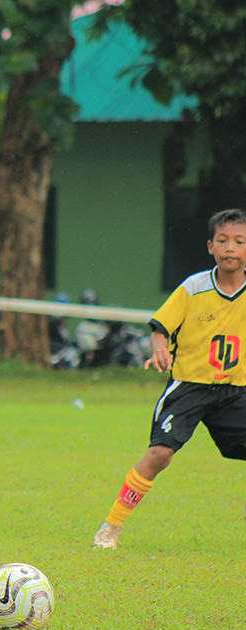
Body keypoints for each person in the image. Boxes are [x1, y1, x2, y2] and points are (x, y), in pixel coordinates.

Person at [92, 208, 246, 549]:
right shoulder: (194, 287)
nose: (230, 248)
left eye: (239, 241)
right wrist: (160, 349)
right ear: (210, 246)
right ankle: (110, 528)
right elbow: (160, 329)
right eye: (222, 240)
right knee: (159, 454)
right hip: (188, 388)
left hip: (235, 393)